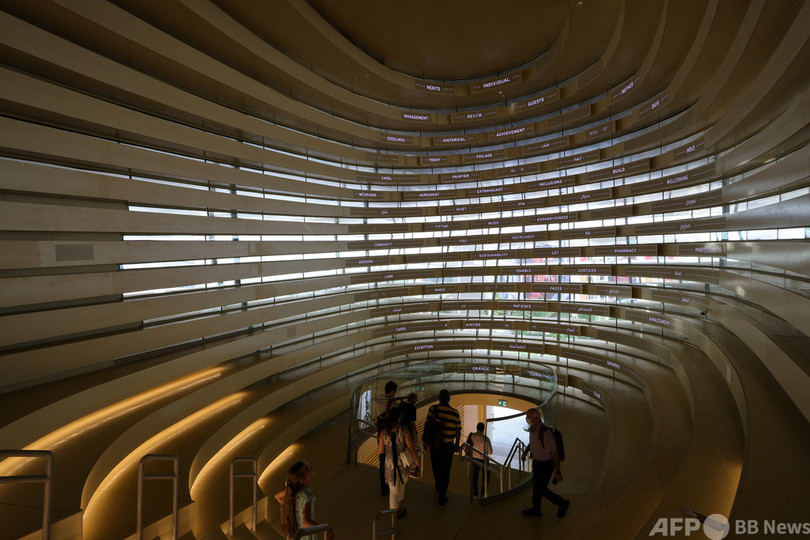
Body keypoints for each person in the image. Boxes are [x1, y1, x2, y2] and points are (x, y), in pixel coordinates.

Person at [520, 408, 570, 518]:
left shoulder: (545, 433)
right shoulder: (533, 429)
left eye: (528, 417)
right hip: (537, 463)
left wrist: (558, 471)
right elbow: (532, 442)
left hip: (546, 465)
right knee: (536, 487)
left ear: (536, 418)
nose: (527, 419)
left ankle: (562, 503)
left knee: (541, 489)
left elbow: (554, 453)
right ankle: (536, 509)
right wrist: (525, 452)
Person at [274, 461, 335, 540]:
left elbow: (277, 496)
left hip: (297, 534)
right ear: (303, 479)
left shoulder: (294, 493)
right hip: (306, 535)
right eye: (308, 468)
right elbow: (306, 522)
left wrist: (290, 493)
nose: (311, 467)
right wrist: (326, 528)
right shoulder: (307, 496)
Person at [377, 407, 419, 518]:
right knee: (401, 486)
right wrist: (417, 462)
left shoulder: (383, 433)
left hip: (389, 466)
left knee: (393, 490)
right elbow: (411, 448)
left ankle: (393, 515)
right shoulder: (403, 430)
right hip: (402, 465)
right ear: (399, 418)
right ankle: (398, 510)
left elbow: (380, 451)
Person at [433, 389, 461, 508]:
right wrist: (457, 444)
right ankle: (442, 494)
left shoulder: (433, 409)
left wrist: (425, 442)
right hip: (448, 446)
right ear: (449, 399)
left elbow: (427, 426)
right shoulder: (455, 413)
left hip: (435, 444)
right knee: (446, 469)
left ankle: (438, 488)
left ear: (439, 398)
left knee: (436, 467)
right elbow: (458, 430)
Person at [374, 380, 400, 496]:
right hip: (391, 436)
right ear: (392, 391)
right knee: (392, 460)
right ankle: (391, 483)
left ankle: (383, 487)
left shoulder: (377, 401)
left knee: (382, 460)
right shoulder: (394, 405)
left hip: (381, 435)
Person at [466, 422, 493, 497]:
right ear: (483, 429)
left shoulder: (471, 435)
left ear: (476, 428)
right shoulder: (486, 439)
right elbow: (490, 452)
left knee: (474, 476)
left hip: (473, 458)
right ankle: (483, 492)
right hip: (483, 460)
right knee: (486, 475)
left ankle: (475, 492)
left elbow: (467, 445)